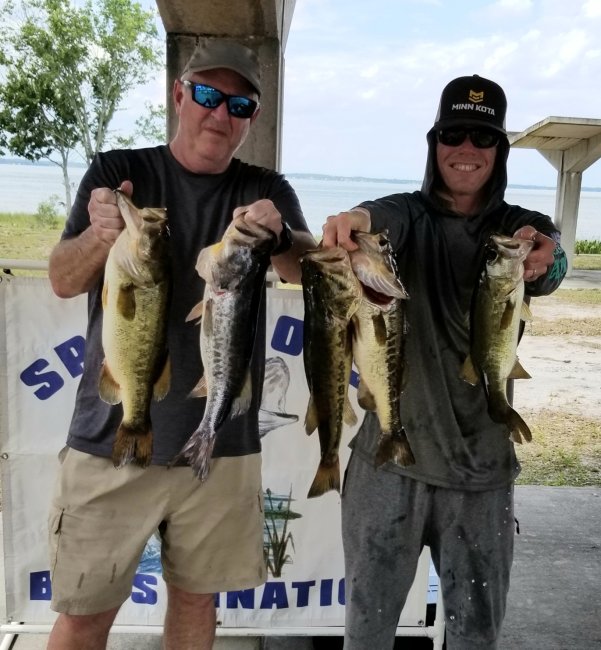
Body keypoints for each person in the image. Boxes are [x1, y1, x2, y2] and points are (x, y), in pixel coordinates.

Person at [46, 38, 315, 650]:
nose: (220, 114)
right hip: (110, 438)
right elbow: (63, 279)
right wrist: (100, 234)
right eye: (207, 95)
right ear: (178, 94)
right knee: (84, 613)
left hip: (221, 446)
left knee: (197, 601)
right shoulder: (118, 172)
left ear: (252, 118)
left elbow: (303, 267)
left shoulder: (265, 186)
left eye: (239, 105)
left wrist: (279, 237)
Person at [321, 74, 567, 649]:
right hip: (387, 467)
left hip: (482, 475)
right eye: (453, 134)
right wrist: (355, 222)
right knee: (367, 631)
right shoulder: (406, 216)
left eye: (482, 138)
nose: (466, 149)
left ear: (499, 151)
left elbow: (551, 259)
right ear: (434, 144)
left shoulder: (515, 229)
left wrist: (546, 257)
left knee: (475, 635)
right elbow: (378, 217)